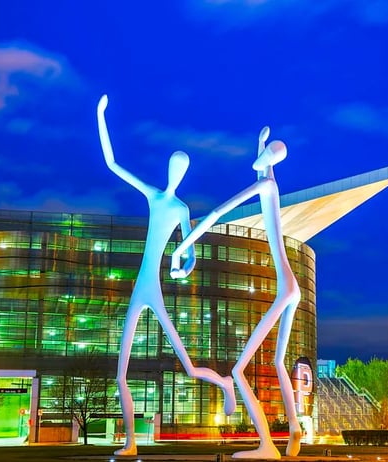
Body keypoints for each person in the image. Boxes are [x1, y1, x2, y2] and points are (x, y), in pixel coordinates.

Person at [97, 95, 235, 456]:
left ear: (185, 174)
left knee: (187, 366)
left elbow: (188, 252)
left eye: (182, 169)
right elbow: (112, 163)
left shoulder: (180, 209)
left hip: (154, 289)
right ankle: (129, 443)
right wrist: (101, 116)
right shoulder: (154, 196)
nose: (176, 172)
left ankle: (223, 383)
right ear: (167, 168)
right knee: (120, 372)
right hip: (139, 288)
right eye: (174, 166)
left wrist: (182, 265)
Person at [171, 126, 302, 459]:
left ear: (269, 161)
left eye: (266, 155)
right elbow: (262, 163)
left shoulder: (266, 184)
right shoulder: (271, 178)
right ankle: (296, 430)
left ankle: (267, 446)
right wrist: (259, 144)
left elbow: (218, 213)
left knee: (239, 370)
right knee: (277, 361)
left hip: (286, 288)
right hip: (293, 286)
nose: (261, 160)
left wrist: (183, 246)